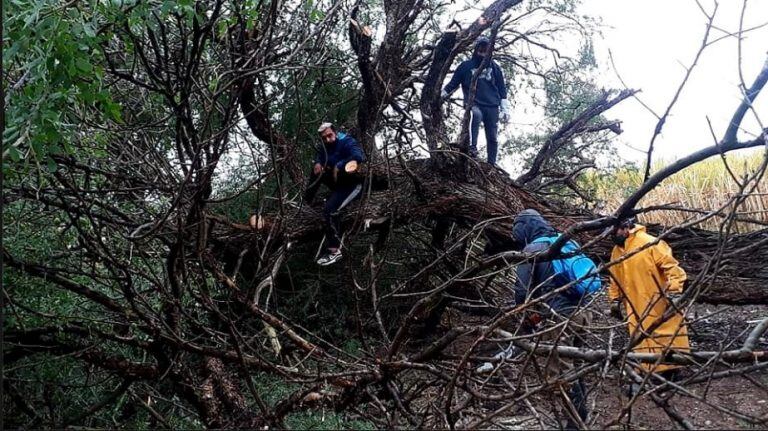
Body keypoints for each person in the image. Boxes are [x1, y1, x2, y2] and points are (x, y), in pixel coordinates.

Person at [479, 209, 600, 429]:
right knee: (577, 362)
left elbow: (521, 290)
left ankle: (573, 422)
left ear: (525, 230)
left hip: (560, 317)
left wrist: (523, 317)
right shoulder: (565, 242)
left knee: (560, 370)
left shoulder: (533, 249)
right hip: (584, 312)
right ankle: (580, 413)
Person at [608, 218, 690, 383]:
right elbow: (614, 277)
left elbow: (672, 267)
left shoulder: (650, 243)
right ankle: (650, 372)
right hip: (635, 305)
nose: (612, 236)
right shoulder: (617, 251)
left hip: (659, 301)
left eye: (614, 232)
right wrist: (615, 300)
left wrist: (674, 292)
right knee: (641, 337)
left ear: (625, 227)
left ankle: (672, 370)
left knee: (665, 334)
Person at [441, 36, 511, 166]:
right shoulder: (465, 66)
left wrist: (505, 108)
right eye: (481, 47)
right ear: (476, 49)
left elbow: (502, 89)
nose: (483, 50)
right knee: (475, 115)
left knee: (492, 136)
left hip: (492, 105)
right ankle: (472, 147)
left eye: (486, 48)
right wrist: (441, 96)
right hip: (474, 103)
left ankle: (492, 163)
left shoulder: (495, 68)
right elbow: (453, 84)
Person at [304, 122, 366, 266]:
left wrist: (339, 165)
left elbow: (358, 156)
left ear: (335, 133)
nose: (328, 139)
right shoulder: (325, 147)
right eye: (324, 138)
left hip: (352, 185)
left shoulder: (347, 141)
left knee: (329, 210)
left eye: (330, 135)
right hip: (337, 184)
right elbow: (320, 157)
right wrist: (318, 163)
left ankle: (334, 251)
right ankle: (306, 202)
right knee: (316, 172)